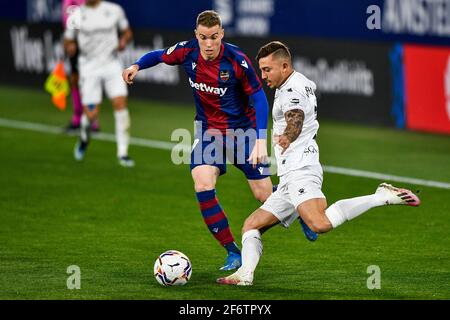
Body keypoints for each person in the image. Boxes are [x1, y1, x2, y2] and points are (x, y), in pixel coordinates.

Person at [123, 11, 318, 271]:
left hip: (243, 132)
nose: (209, 44)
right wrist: (136, 65)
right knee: (202, 183)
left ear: (221, 34)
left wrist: (260, 139)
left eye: (214, 37)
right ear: (197, 36)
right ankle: (232, 252)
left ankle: (299, 209)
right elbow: (158, 55)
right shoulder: (186, 51)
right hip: (208, 133)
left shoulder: (237, 60)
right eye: (203, 37)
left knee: (262, 193)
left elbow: (259, 98)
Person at [217, 41, 421, 286]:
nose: (263, 76)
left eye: (268, 70)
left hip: (301, 169)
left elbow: (296, 117)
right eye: (261, 70)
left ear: (284, 65)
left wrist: (287, 137)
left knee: (319, 223)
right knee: (252, 225)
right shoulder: (298, 82)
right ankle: (245, 274)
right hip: (289, 177)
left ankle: (380, 196)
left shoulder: (291, 90)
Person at [64, 0, 134, 167]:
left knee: (120, 103)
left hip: (111, 64)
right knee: (91, 114)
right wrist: (71, 47)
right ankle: (84, 138)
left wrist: (124, 41)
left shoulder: (114, 9)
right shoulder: (76, 13)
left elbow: (127, 32)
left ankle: (123, 153)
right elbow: (68, 40)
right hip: (88, 67)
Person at [62, 0, 100, 133]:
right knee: (74, 79)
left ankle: (92, 120)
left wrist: (73, 41)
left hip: (85, 43)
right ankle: (77, 118)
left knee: (88, 79)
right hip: (74, 41)